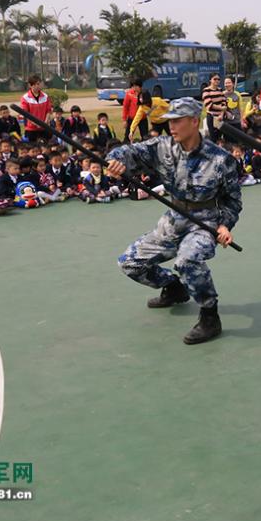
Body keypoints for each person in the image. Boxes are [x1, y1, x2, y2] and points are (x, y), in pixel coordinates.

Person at [107, 98, 242, 345]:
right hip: (173, 218)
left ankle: (210, 315)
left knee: (187, 260)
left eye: (177, 121)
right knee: (129, 264)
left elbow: (232, 201)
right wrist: (115, 161)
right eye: (170, 121)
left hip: (205, 222)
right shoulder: (162, 147)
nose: (172, 126)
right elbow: (129, 152)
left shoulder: (221, 160)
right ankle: (174, 287)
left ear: (194, 121)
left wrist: (224, 225)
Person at [20, 75, 52, 142]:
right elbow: (26, 114)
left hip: (44, 127)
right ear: (30, 85)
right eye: (35, 84)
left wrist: (45, 122)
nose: (37, 86)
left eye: (38, 84)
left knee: (45, 148)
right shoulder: (25, 97)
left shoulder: (45, 96)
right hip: (31, 129)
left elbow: (48, 110)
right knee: (33, 148)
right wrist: (36, 123)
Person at [201, 73, 227, 142]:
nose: (217, 81)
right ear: (210, 80)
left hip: (221, 117)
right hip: (211, 117)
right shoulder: (206, 90)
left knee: (219, 137)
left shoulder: (220, 90)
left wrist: (221, 114)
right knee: (212, 138)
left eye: (218, 79)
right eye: (215, 79)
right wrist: (221, 108)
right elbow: (209, 105)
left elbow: (224, 102)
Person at [122, 78, 144, 143]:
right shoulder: (129, 94)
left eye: (135, 86)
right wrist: (124, 119)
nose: (134, 88)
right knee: (128, 136)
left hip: (142, 118)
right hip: (131, 118)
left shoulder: (144, 93)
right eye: (132, 86)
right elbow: (125, 107)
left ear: (139, 86)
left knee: (145, 136)